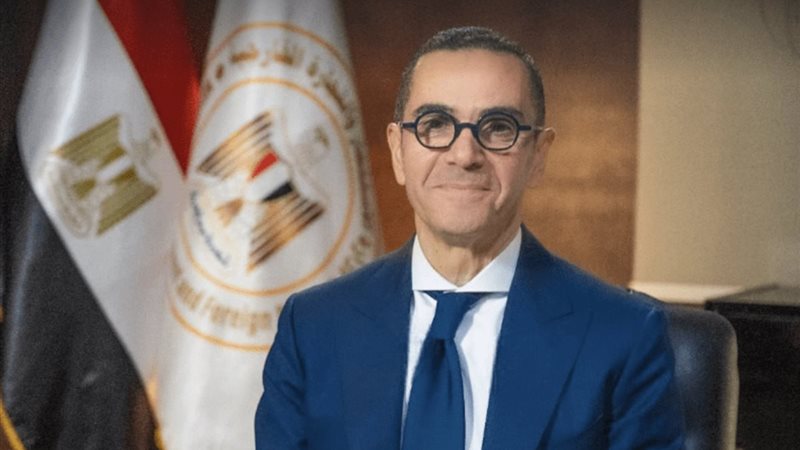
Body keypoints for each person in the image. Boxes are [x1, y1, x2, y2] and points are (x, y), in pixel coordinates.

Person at [255, 26, 685, 450]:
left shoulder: (624, 335)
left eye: (498, 127)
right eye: (435, 124)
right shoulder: (312, 327)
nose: (464, 155)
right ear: (398, 150)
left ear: (538, 156)